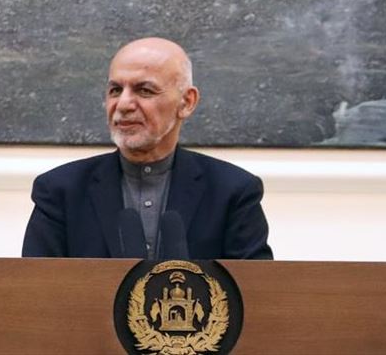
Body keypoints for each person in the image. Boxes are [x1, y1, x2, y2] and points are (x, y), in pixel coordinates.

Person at [22, 37, 273, 260]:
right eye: (115, 90)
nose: (123, 104)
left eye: (144, 90)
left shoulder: (233, 191)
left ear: (187, 102)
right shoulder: (60, 190)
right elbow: (36, 288)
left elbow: (257, 291)